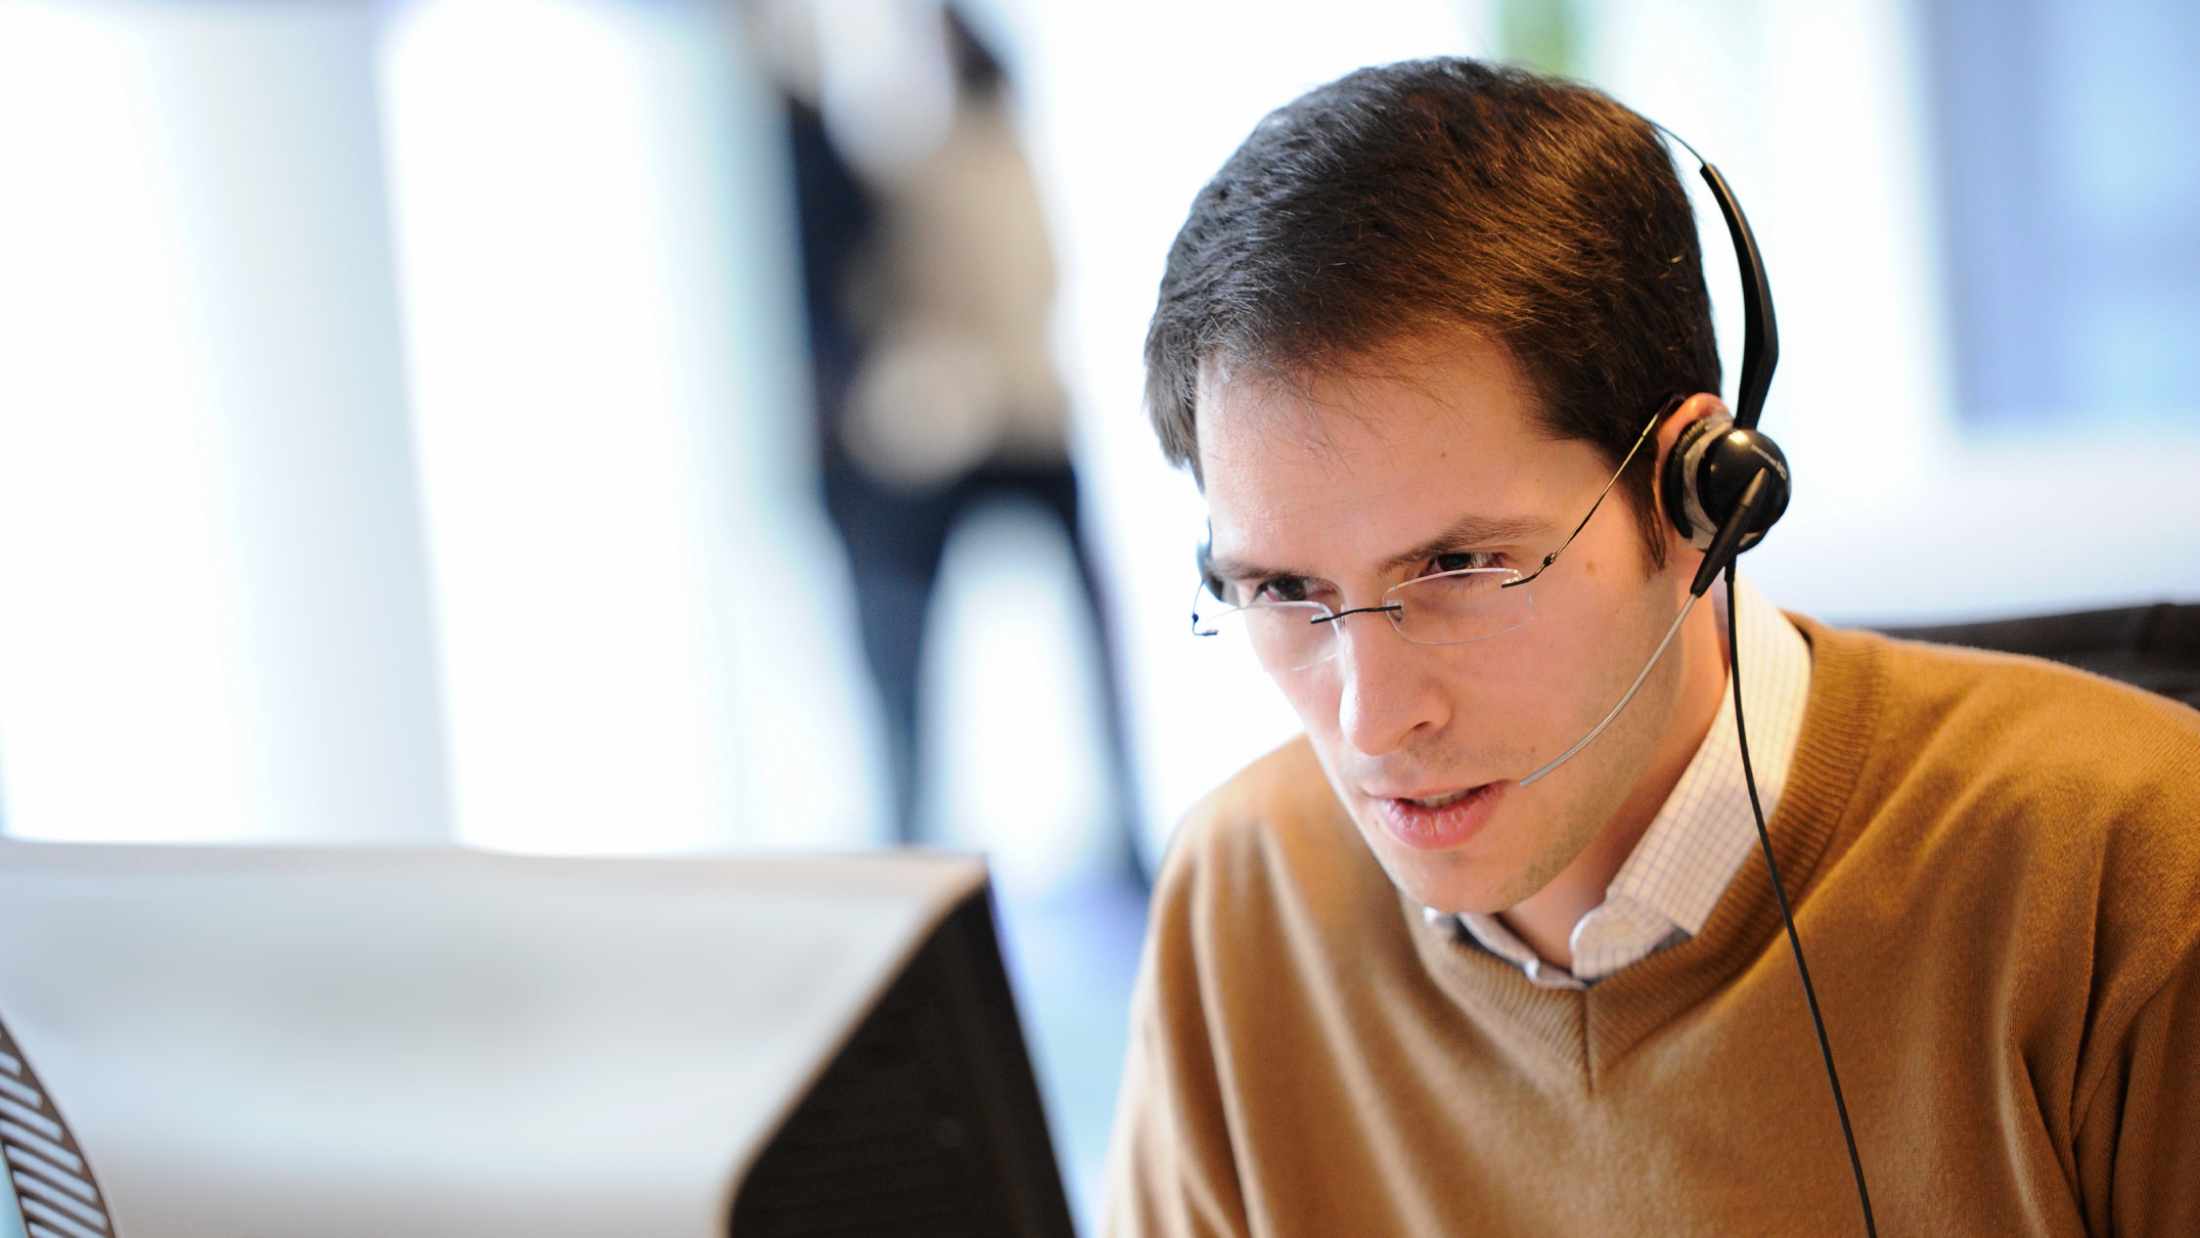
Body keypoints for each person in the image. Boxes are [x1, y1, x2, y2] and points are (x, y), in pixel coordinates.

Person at [1105, 57, 2200, 1235]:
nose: (1373, 719)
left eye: (1459, 566)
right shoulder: (1244, 890)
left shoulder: (2129, 865)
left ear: (1696, 498)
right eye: (1280, 587)